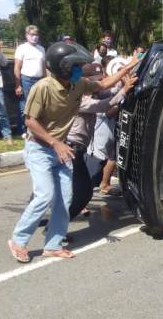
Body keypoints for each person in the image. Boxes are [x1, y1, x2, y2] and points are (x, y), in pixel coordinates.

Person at [8, 42, 138, 263]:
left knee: (65, 198)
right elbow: (30, 121)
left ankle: (53, 244)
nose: (80, 69)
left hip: (62, 148)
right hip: (40, 148)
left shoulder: (77, 84)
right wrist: (54, 142)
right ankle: (19, 241)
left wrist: (127, 68)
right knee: (45, 195)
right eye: (76, 65)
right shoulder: (43, 87)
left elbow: (103, 84)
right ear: (64, 67)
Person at [66, 63, 136, 219]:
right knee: (83, 186)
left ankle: (61, 220)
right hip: (72, 146)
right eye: (94, 80)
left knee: (82, 188)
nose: (99, 82)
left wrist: (124, 80)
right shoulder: (79, 98)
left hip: (81, 147)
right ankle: (59, 221)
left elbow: (110, 91)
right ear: (84, 80)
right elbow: (105, 106)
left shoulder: (91, 92)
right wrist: (124, 90)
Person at [13, 25, 46, 136]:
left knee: (39, 106)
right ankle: (23, 129)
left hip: (40, 79)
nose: (35, 37)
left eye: (36, 34)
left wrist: (46, 81)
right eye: (32, 34)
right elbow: (17, 67)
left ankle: (35, 129)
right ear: (27, 35)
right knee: (26, 106)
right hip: (27, 79)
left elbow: (44, 66)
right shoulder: (22, 48)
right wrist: (18, 85)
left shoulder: (41, 49)